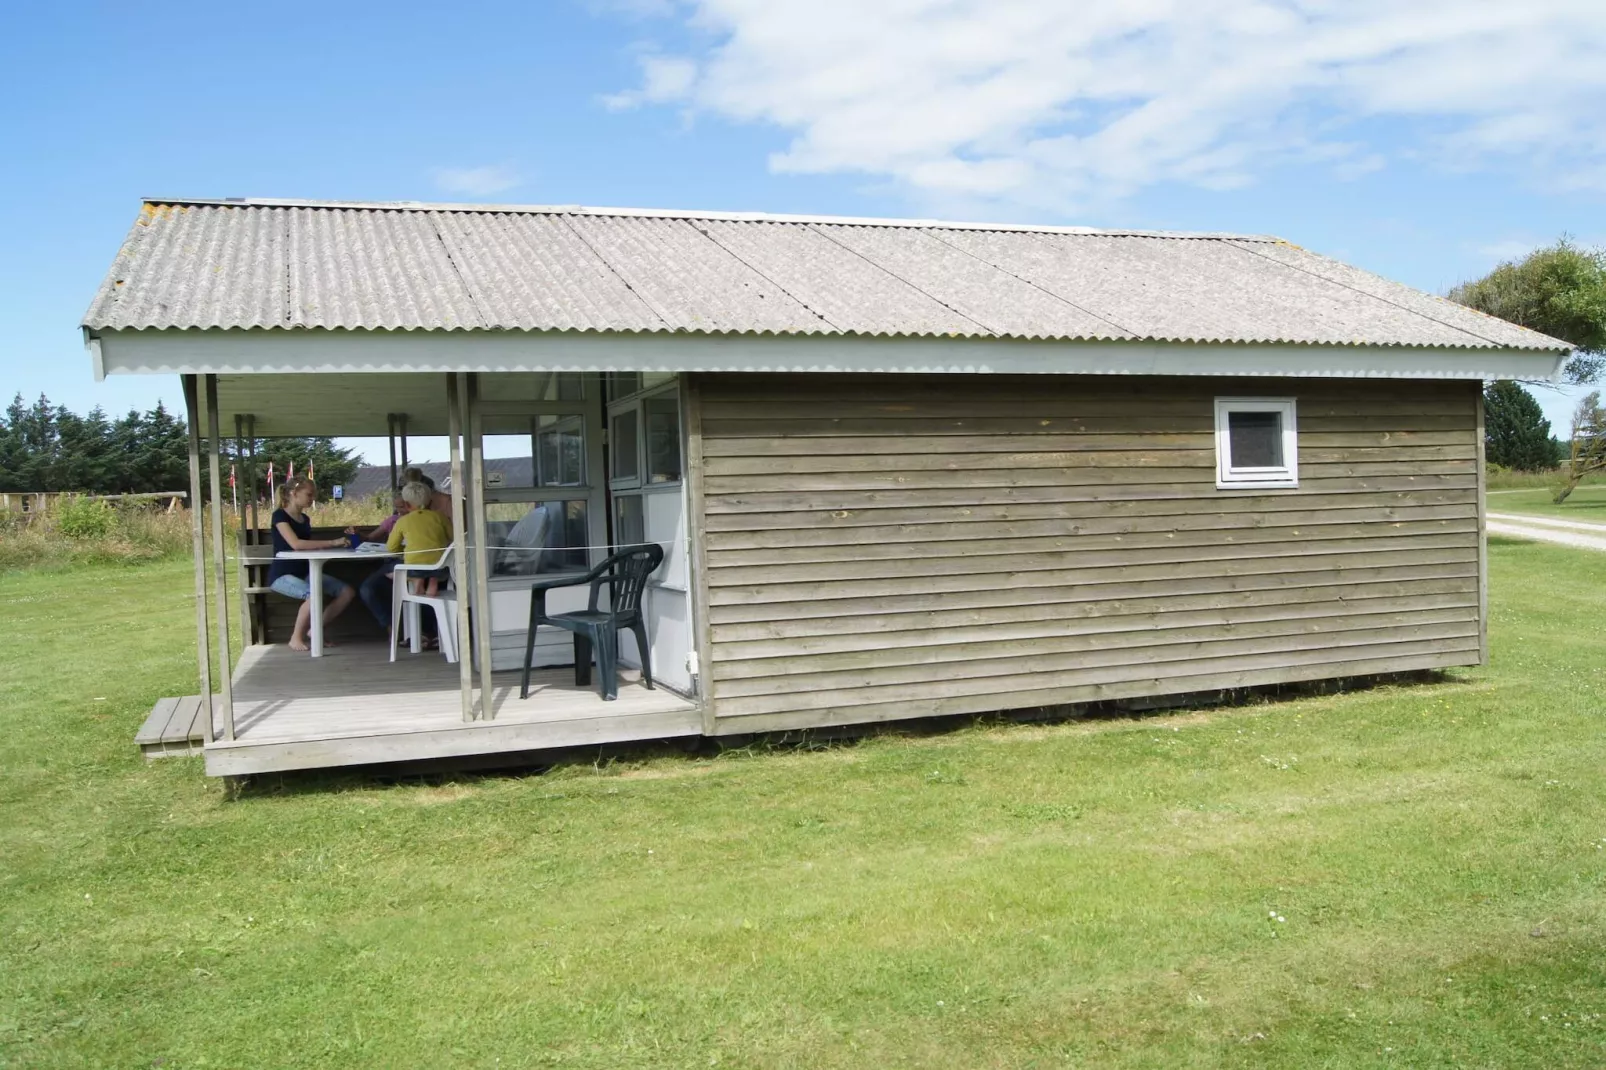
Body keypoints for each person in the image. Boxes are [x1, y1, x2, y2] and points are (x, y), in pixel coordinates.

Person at [267, 477, 358, 652]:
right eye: (309, 494)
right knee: (314, 595)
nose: (312, 498)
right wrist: (332, 543)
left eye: (313, 495)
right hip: (282, 575)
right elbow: (296, 544)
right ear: (294, 493)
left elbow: (307, 547)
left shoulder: (305, 519)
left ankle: (315, 630)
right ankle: (295, 637)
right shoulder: (279, 516)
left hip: (306, 572)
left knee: (347, 592)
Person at [388, 481, 453, 598]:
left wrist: (406, 549)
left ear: (407, 504)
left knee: (391, 573)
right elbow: (453, 538)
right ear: (430, 501)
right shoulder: (440, 517)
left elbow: (392, 548)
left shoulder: (402, 521)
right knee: (436, 567)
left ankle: (417, 580)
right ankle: (433, 581)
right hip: (441, 567)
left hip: (414, 567)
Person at [357, 494, 406, 632]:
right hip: (390, 562)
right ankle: (390, 628)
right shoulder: (393, 521)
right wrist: (357, 533)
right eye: (397, 507)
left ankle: (425, 632)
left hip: (410, 562)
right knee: (367, 589)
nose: (400, 510)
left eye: (402, 506)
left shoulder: (420, 520)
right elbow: (369, 538)